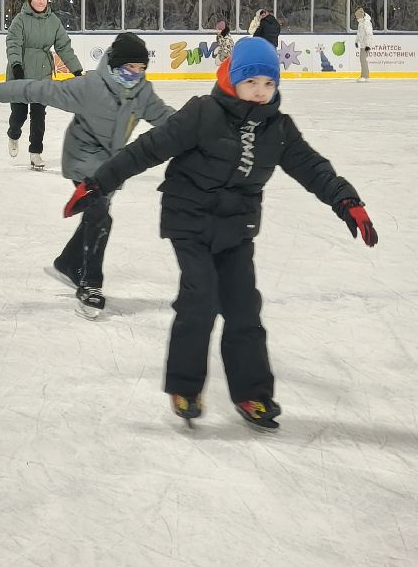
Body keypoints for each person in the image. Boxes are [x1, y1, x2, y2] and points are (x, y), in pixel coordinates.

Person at [63, 36, 377, 429]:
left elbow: (314, 169)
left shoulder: (278, 129)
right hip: (189, 220)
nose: (260, 92)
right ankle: (186, 387)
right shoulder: (203, 113)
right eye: (252, 82)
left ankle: (252, 394)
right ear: (233, 79)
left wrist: (347, 202)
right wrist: (98, 183)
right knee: (201, 298)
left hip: (236, 228)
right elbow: (147, 149)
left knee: (244, 307)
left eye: (269, 84)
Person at [0, 32, 174, 316]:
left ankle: (67, 263)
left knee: (95, 214)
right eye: (129, 68)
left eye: (141, 69)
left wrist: (200, 127)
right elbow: (38, 90)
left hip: (112, 164)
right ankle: (90, 283)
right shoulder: (89, 87)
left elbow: (166, 119)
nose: (136, 74)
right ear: (115, 65)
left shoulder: (143, 93)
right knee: (100, 214)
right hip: (83, 158)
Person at [5, 0, 82, 169]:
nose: (41, 2)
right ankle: (13, 134)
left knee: (39, 116)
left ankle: (35, 152)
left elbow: (63, 46)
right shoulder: (20, 20)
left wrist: (76, 70)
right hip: (20, 74)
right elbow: (13, 43)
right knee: (19, 115)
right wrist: (16, 65)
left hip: (43, 75)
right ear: (30, 1)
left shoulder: (54, 21)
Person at [354, 6, 374, 81]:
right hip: (362, 45)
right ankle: (363, 75)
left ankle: (365, 76)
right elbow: (359, 33)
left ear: (361, 16)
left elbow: (369, 34)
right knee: (362, 60)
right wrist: (356, 41)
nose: (356, 19)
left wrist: (368, 45)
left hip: (366, 45)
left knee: (363, 60)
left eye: (357, 17)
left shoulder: (366, 23)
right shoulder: (361, 23)